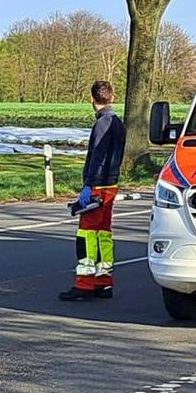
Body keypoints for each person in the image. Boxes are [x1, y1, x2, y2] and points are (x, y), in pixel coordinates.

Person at [60, 80, 125, 301]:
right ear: (112, 97)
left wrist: (88, 183)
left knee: (87, 233)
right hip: (112, 183)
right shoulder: (118, 122)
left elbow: (97, 156)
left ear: (92, 99)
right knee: (103, 233)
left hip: (98, 185)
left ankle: (85, 284)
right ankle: (104, 280)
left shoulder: (102, 124)